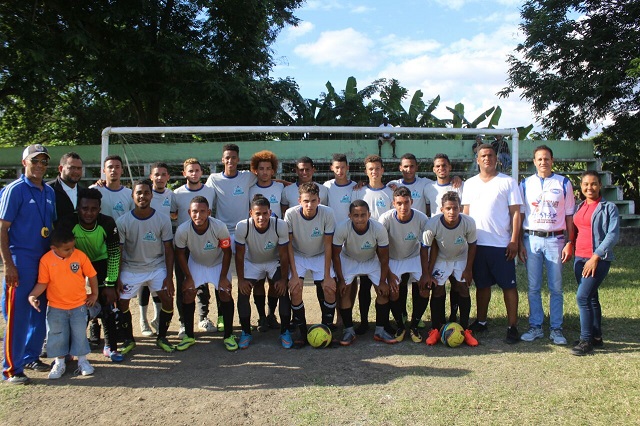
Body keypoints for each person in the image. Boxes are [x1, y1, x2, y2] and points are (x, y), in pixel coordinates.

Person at [1, 144, 55, 384]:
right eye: (35, 161)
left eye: (44, 161)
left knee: (40, 310)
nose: (40, 165)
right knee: (19, 314)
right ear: (25, 163)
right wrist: (8, 265)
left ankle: (31, 356)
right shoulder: (14, 190)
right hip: (20, 260)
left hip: (44, 260)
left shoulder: (49, 192)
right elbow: (2, 229)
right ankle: (12, 368)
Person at [462, 143, 523, 344]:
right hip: (478, 245)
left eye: (490, 155)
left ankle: (512, 326)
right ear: (477, 160)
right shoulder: (469, 183)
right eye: (483, 156)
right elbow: (466, 214)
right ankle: (481, 321)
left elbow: (515, 213)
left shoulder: (508, 182)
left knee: (508, 286)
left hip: (501, 244)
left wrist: (514, 240)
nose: (487, 158)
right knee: (482, 285)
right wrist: (465, 240)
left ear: (496, 159)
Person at [518, 145, 575, 345]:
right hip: (531, 239)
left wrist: (569, 242)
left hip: (555, 239)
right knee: (533, 287)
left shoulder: (564, 183)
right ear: (534, 162)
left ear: (552, 160)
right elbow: (521, 215)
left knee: (556, 287)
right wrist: (519, 243)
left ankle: (556, 328)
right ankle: (535, 326)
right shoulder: (525, 184)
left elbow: (569, 216)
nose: (543, 162)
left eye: (546, 159)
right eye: (539, 159)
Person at [58, 188, 123, 362]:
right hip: (76, 264)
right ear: (78, 208)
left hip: (100, 262)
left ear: (99, 209)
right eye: (85, 208)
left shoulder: (108, 223)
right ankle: (74, 348)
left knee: (107, 304)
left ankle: (111, 346)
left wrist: (110, 284)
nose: (89, 213)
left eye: (94, 209)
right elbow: (61, 252)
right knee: (78, 307)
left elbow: (114, 254)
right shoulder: (68, 222)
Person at [27, 227, 99, 379]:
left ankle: (83, 361)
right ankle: (59, 362)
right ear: (54, 248)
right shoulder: (46, 260)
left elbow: (92, 275)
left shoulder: (80, 256)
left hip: (79, 306)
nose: (71, 251)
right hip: (56, 307)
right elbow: (42, 283)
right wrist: (33, 295)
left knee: (79, 334)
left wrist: (94, 294)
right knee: (57, 334)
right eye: (67, 249)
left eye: (73, 247)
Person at [116, 180, 175, 354]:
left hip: (156, 266)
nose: (142, 196)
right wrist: (117, 277)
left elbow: (168, 250)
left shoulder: (162, 220)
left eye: (146, 193)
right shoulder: (123, 221)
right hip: (131, 268)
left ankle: (162, 337)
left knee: (168, 299)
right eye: (139, 193)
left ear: (151, 195)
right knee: (122, 302)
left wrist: (169, 277)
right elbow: (118, 251)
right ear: (133, 195)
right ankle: (128, 339)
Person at [206, 144, 257, 332]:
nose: (230, 161)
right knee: (223, 276)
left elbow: (268, 178)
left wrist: (287, 184)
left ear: (238, 159)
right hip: (223, 234)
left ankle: (250, 316)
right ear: (222, 160)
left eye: (233, 157)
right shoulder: (214, 179)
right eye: (227, 157)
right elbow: (203, 197)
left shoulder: (246, 176)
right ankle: (222, 314)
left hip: (243, 232)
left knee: (248, 275)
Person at [174, 196, 236, 351]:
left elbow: (227, 252)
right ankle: (189, 335)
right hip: (197, 263)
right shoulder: (182, 230)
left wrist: (222, 277)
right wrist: (188, 277)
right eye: (194, 211)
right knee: (188, 293)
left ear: (208, 212)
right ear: (189, 212)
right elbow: (180, 254)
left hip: (217, 263)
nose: (198, 215)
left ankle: (228, 335)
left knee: (225, 292)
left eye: (202, 211)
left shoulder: (219, 227)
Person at [334, 200, 397, 345]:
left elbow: (384, 256)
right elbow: (336, 255)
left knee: (383, 292)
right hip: (349, 259)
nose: (360, 219)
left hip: (371, 259)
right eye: (356, 215)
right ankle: (349, 331)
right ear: (349, 215)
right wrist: (341, 279)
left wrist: (382, 281)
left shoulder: (378, 228)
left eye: (363, 215)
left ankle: (380, 330)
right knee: (344, 293)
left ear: (369, 214)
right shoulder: (342, 228)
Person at [570, 171, 619, 356]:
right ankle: (596, 336)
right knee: (591, 297)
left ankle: (585, 340)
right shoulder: (580, 206)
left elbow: (612, 235)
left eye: (593, 184)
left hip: (597, 259)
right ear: (581, 187)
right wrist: (569, 244)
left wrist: (596, 256)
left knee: (582, 297)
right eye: (585, 184)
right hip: (579, 258)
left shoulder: (608, 208)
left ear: (600, 185)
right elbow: (575, 230)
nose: (589, 188)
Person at [235, 195, 292, 348]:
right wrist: (241, 280)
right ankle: (246, 332)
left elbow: (284, 254)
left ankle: (285, 331)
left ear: (270, 212)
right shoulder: (242, 226)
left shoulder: (280, 225)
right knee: (243, 292)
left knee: (282, 290)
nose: (261, 217)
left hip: (273, 262)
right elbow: (239, 256)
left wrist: (283, 279)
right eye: (257, 214)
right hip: (252, 262)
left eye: (265, 213)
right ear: (250, 213)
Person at [423, 191, 478, 347]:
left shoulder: (469, 222)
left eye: (455, 208)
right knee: (438, 289)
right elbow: (424, 248)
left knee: (462, 288)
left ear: (460, 208)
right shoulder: (432, 223)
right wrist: (427, 273)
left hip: (461, 258)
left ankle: (466, 329)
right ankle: (435, 329)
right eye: (448, 208)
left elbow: (473, 245)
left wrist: (468, 268)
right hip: (442, 259)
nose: (452, 212)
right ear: (442, 209)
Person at [284, 182, 336, 346]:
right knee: (296, 289)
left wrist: (328, 276)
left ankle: (326, 329)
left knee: (329, 288)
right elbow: (289, 246)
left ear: (319, 200)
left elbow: (328, 245)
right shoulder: (290, 214)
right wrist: (293, 275)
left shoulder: (327, 213)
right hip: (298, 255)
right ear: (299, 200)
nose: (310, 205)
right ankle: (301, 330)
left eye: (313, 201)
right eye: (306, 201)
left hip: (320, 254)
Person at [172, 158, 217, 337]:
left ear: (201, 173)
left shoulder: (210, 191)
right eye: (190, 171)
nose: (194, 173)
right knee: (184, 283)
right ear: (184, 173)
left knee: (203, 283)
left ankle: (203, 317)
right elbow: (172, 214)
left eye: (197, 170)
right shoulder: (176, 194)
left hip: (205, 242)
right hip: (183, 245)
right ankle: (184, 322)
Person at [378, 186, 430, 343]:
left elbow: (425, 246)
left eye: (406, 202)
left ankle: (414, 325)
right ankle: (401, 326)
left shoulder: (421, 218)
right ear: (393, 203)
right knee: (393, 290)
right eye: (399, 203)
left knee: (425, 287)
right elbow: (380, 250)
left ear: (411, 202)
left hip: (414, 257)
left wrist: (426, 273)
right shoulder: (385, 219)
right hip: (393, 259)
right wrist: (388, 273)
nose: (403, 207)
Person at [351, 155, 394, 334]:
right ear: (366, 172)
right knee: (365, 285)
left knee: (384, 284)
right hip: (364, 244)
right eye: (370, 169)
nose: (374, 172)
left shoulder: (391, 191)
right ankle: (363, 322)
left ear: (382, 170)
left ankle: (384, 322)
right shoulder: (358, 191)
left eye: (377, 168)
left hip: (384, 244)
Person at [424, 153, 465, 322]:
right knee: (438, 283)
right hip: (436, 240)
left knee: (457, 282)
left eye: (444, 166)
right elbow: (427, 211)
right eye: (438, 166)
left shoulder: (459, 186)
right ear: (434, 169)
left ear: (450, 167)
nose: (441, 169)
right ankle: (437, 323)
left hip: (456, 239)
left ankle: (454, 317)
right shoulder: (428, 187)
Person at [248, 150, 285, 331]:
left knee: (274, 282)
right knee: (258, 282)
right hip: (255, 240)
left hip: (274, 240)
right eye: (261, 168)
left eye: (268, 169)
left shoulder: (279, 188)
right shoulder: (250, 189)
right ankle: (261, 317)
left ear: (273, 171)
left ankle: (272, 314)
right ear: (255, 170)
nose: (264, 172)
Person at [139, 161, 176, 337]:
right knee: (144, 283)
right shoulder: (145, 194)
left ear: (168, 177)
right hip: (144, 243)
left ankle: (156, 317)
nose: (160, 178)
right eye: (157, 174)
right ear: (151, 177)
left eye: (163, 174)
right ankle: (142, 320)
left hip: (163, 243)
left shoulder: (172, 195)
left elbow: (175, 212)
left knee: (159, 281)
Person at [92, 155, 134, 220]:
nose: (113, 170)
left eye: (117, 167)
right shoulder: (94, 190)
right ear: (103, 171)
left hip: (121, 230)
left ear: (122, 171)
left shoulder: (130, 194)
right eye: (110, 167)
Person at [48, 152, 84, 226]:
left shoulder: (84, 193)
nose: (76, 171)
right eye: (72, 168)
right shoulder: (48, 190)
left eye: (79, 168)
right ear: (61, 169)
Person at [323, 153, 357, 224]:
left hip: (349, 229)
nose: (340, 171)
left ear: (347, 167)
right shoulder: (327, 186)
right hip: (332, 229)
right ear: (332, 168)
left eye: (343, 167)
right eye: (337, 167)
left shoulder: (355, 186)